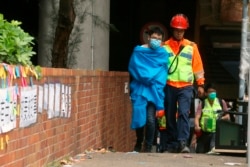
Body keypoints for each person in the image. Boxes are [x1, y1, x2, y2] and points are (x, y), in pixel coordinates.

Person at [162, 13, 205, 153]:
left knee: (183, 114)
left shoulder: (192, 46)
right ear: (172, 30)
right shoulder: (164, 47)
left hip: (186, 86)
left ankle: (182, 142)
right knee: (169, 115)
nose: (179, 33)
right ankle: (172, 142)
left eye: (181, 30)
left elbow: (197, 66)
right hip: (169, 85)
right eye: (177, 30)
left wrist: (200, 84)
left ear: (185, 31)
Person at [128, 27, 169, 152]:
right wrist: (147, 77)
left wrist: (151, 78)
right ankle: (138, 142)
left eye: (159, 39)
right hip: (140, 89)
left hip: (154, 90)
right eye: (155, 38)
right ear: (149, 37)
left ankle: (148, 146)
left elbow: (163, 72)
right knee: (139, 115)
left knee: (151, 119)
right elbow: (134, 68)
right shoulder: (139, 51)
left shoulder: (163, 53)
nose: (157, 41)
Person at [191, 83, 230, 153]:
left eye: (214, 92)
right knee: (200, 152)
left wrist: (221, 119)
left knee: (213, 150)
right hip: (204, 132)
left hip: (216, 132)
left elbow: (227, 116)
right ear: (206, 93)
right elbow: (197, 117)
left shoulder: (221, 102)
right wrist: (197, 126)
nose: (212, 94)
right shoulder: (202, 104)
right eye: (210, 92)